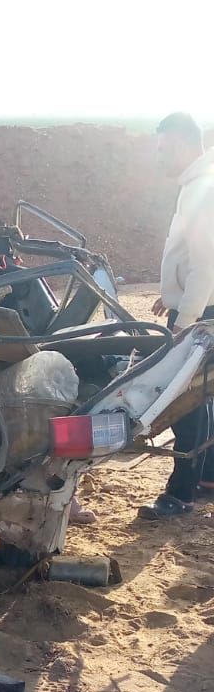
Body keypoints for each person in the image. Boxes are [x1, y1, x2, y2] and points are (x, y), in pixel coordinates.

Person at [139, 111, 214, 521]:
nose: (160, 157)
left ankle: (180, 494)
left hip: (200, 315)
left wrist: (185, 321)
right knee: (203, 398)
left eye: (165, 149)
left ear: (186, 145)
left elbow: (205, 265)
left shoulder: (202, 188)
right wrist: (173, 295)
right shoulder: (198, 183)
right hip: (200, 307)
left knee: (185, 405)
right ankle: (207, 479)